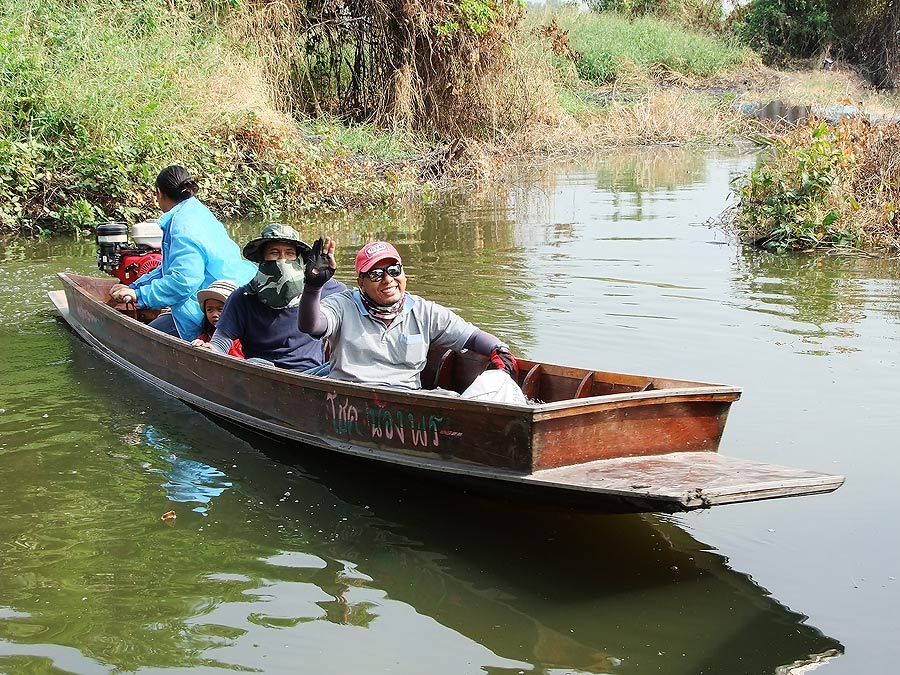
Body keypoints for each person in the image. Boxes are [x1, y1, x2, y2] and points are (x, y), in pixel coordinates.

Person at [298, 238, 524, 400]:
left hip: (408, 402)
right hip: (351, 402)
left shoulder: (423, 311)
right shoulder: (343, 304)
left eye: (394, 270)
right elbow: (313, 326)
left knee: (498, 383)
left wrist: (499, 349)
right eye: (376, 274)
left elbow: (470, 337)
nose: (388, 280)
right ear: (361, 283)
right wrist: (313, 287)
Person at [108, 165, 256, 340]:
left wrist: (140, 296)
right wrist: (134, 288)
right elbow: (168, 270)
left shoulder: (182, 227)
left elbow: (183, 281)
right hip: (240, 291)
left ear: (159, 193)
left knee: (139, 340)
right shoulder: (197, 211)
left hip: (217, 307)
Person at [195, 223, 346, 371]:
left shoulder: (317, 287)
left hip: (311, 375)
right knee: (258, 363)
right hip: (262, 374)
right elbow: (221, 343)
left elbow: (356, 302)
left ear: (298, 259)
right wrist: (210, 349)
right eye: (274, 253)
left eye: (289, 253)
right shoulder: (243, 297)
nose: (282, 259)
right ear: (262, 259)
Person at [190, 279, 244, 358]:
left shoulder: (242, 340)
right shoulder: (205, 337)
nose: (214, 314)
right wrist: (199, 346)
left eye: (220, 309)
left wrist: (216, 349)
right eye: (209, 310)